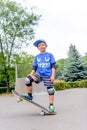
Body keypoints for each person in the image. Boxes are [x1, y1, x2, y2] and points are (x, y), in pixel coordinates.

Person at [21, 39, 56, 112]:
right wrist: (31, 74)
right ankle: (30, 96)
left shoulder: (50, 55)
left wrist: (53, 76)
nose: (41, 47)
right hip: (39, 74)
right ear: (38, 48)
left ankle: (51, 105)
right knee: (28, 80)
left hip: (48, 75)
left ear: (46, 46)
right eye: (39, 46)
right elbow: (34, 67)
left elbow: (53, 66)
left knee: (50, 90)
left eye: (42, 45)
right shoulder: (37, 57)